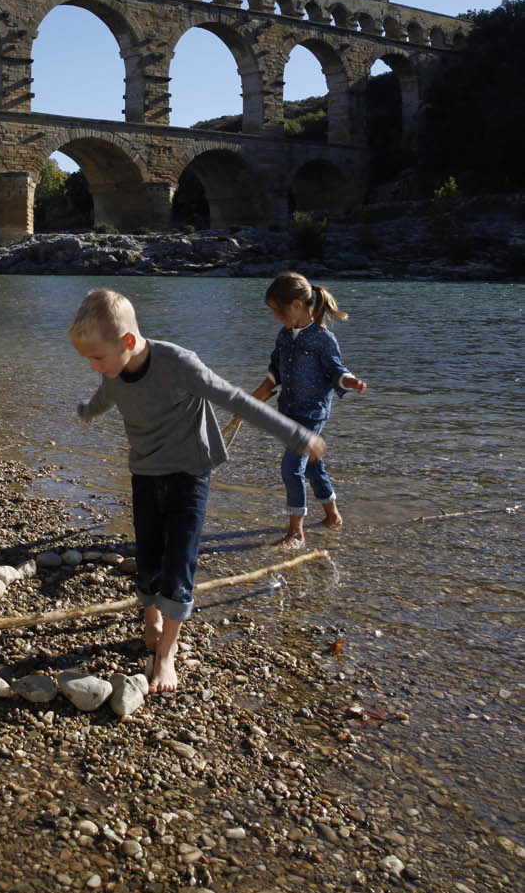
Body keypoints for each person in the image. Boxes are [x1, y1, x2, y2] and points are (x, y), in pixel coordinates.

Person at [69, 288, 327, 695]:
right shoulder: (114, 371)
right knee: (148, 553)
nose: (93, 367)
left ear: (128, 341)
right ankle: (152, 617)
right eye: (89, 360)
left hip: (189, 474)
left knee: (179, 560)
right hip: (145, 472)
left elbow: (234, 399)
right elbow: (107, 395)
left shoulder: (179, 364)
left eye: (97, 358)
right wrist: (87, 411)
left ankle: (167, 652)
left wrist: (297, 435)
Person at [252, 271, 366, 551]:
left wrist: (350, 381)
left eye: (278, 311)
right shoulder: (284, 336)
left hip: (313, 413)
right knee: (312, 464)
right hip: (289, 411)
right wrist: (250, 402)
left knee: (291, 468)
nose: (276, 317)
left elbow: (336, 371)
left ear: (297, 305)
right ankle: (333, 516)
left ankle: (296, 534)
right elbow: (275, 373)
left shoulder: (323, 339)